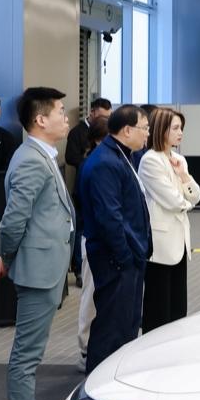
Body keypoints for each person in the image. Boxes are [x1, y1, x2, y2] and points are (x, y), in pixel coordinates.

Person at [0, 88, 74, 400]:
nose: (66, 117)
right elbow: (12, 221)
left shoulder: (40, 155)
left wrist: (7, 257)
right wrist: (8, 256)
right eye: (60, 111)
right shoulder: (32, 161)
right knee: (26, 356)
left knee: (29, 354)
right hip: (38, 271)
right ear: (40, 120)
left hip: (42, 265)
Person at [80, 104, 151, 372]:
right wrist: (125, 257)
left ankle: (118, 376)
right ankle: (99, 380)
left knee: (126, 325)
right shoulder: (106, 163)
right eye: (144, 128)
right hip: (116, 260)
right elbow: (110, 217)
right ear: (127, 130)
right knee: (112, 327)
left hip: (127, 257)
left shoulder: (122, 155)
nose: (147, 133)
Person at [139, 109, 200, 332]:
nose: (180, 133)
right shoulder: (150, 160)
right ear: (161, 129)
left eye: (181, 128)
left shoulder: (178, 159)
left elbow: (196, 195)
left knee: (177, 304)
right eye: (175, 128)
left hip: (179, 241)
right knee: (158, 305)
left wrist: (183, 175)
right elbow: (173, 200)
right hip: (160, 244)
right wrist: (187, 203)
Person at [74, 116, 108, 372]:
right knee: (90, 296)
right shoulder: (92, 164)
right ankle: (85, 349)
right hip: (94, 239)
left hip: (102, 241)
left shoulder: (112, 160)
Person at [65, 98, 111, 282]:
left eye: (108, 116)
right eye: (102, 115)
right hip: (83, 184)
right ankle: (78, 268)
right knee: (81, 228)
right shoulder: (77, 132)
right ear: (92, 112)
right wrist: (87, 161)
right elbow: (70, 157)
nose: (104, 119)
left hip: (95, 186)